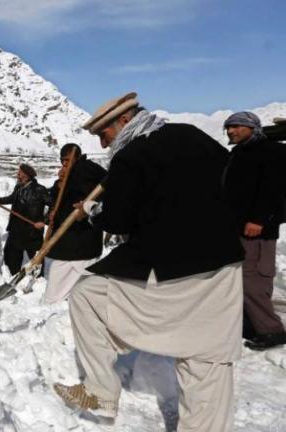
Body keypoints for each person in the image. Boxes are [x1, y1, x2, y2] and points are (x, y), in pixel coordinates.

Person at [52, 92, 244, 431]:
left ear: (124, 121)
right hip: (221, 263)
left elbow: (118, 221)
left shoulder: (130, 156)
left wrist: (92, 210)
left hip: (169, 270)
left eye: (104, 134)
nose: (103, 142)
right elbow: (233, 186)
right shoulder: (192, 134)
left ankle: (100, 392)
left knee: (87, 296)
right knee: (205, 362)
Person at [222, 111, 286, 350]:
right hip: (239, 227)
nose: (231, 131)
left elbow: (273, 189)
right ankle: (251, 324)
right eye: (228, 127)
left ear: (252, 127)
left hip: (258, 230)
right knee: (242, 279)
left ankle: (272, 331)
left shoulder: (270, 151)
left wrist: (259, 219)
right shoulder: (240, 152)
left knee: (255, 280)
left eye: (237, 126)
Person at [43, 143, 107, 303]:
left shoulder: (87, 170)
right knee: (63, 291)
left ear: (77, 157)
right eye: (62, 161)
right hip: (69, 242)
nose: (64, 164)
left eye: (67, 160)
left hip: (82, 240)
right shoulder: (71, 174)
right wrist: (53, 213)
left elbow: (105, 192)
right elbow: (62, 201)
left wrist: (88, 206)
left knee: (81, 293)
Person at [0, 163, 48, 275]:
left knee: (37, 260)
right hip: (16, 230)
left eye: (19, 173)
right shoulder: (18, 188)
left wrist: (44, 222)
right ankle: (13, 278)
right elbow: (10, 199)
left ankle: (38, 282)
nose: (17, 175)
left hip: (32, 232)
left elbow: (54, 207)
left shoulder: (40, 190)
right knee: (11, 256)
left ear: (26, 176)